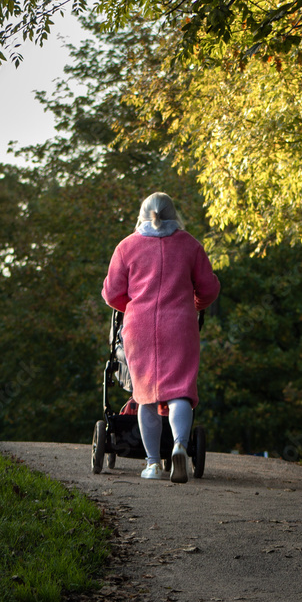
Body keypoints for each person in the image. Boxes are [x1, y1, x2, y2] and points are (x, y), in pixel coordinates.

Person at [102, 193, 220, 482]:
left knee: (145, 396)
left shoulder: (126, 247)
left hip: (139, 328)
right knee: (180, 391)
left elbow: (112, 293)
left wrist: (133, 307)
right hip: (180, 325)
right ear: (173, 214)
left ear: (142, 215)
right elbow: (209, 289)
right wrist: (194, 303)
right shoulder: (190, 245)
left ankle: (153, 464)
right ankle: (179, 444)